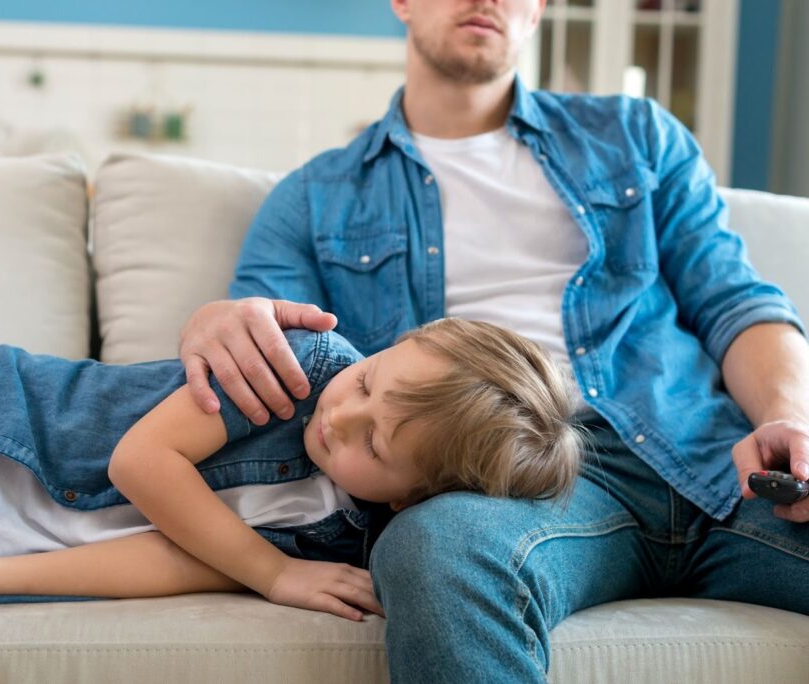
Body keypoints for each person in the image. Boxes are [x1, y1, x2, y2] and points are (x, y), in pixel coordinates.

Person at [177, 0, 809, 681]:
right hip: (505, 492)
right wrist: (218, 320)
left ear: (536, 12)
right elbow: (268, 349)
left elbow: (736, 302)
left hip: (711, 459)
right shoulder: (315, 198)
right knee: (436, 549)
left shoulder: (638, 136)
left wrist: (788, 416)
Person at [0, 318, 580, 618]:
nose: (344, 416)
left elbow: (169, 555)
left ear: (420, 496)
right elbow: (144, 462)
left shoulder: (346, 544)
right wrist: (272, 576)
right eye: (370, 382)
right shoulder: (298, 368)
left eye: (376, 446)